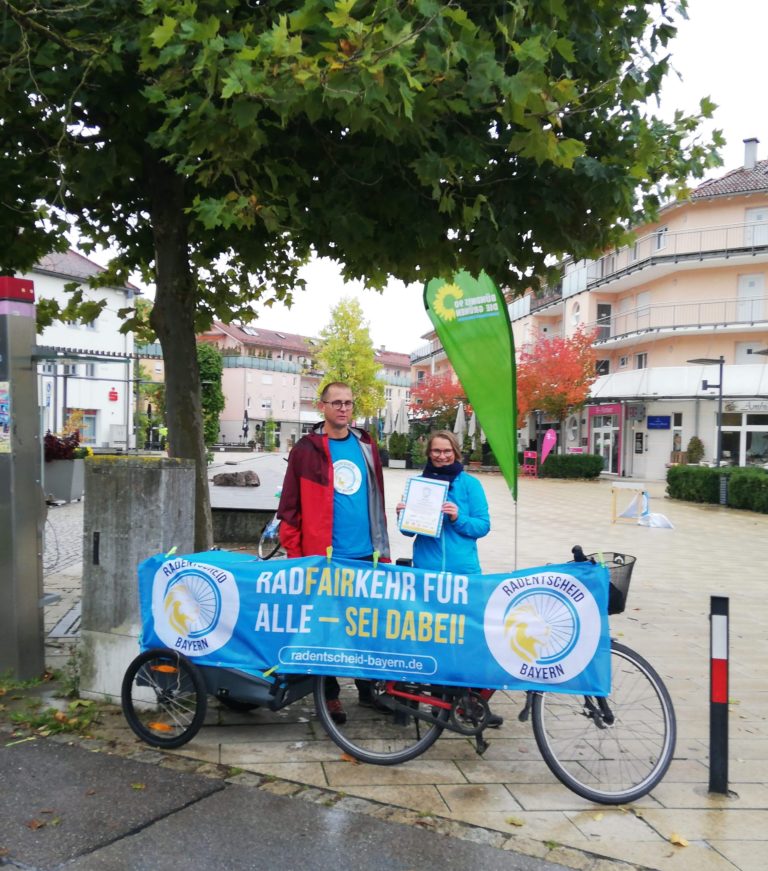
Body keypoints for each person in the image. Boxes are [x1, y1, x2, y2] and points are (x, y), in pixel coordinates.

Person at [277, 381, 390, 724]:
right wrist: (298, 555)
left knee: (365, 626)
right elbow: (289, 509)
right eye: (337, 403)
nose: (344, 409)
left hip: (365, 556)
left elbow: (376, 502)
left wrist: (381, 550)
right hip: (323, 558)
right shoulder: (306, 450)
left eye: (349, 403)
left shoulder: (366, 447)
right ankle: (329, 694)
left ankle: (368, 687)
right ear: (322, 406)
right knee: (325, 629)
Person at [396, 429, 502, 726]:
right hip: (427, 571)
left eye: (447, 451)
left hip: (463, 573)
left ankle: (465, 701)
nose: (441, 456)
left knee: (463, 639)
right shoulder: (419, 485)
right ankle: (431, 700)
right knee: (430, 638)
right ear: (429, 454)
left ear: (456, 453)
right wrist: (402, 515)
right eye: (436, 452)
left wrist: (458, 518)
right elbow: (408, 531)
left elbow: (482, 526)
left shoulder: (470, 485)